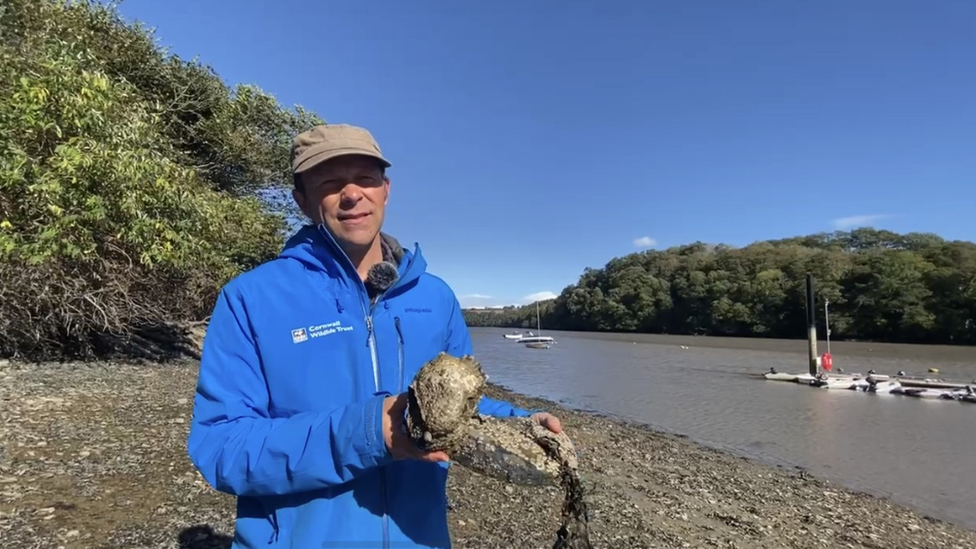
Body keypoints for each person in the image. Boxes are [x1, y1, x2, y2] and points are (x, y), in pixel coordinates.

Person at [186, 123, 562, 549]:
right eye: (330, 183)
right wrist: (370, 432)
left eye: (365, 179)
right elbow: (222, 447)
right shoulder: (250, 298)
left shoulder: (435, 297)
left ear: (386, 189)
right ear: (303, 201)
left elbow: (462, 407)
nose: (352, 194)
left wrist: (520, 425)